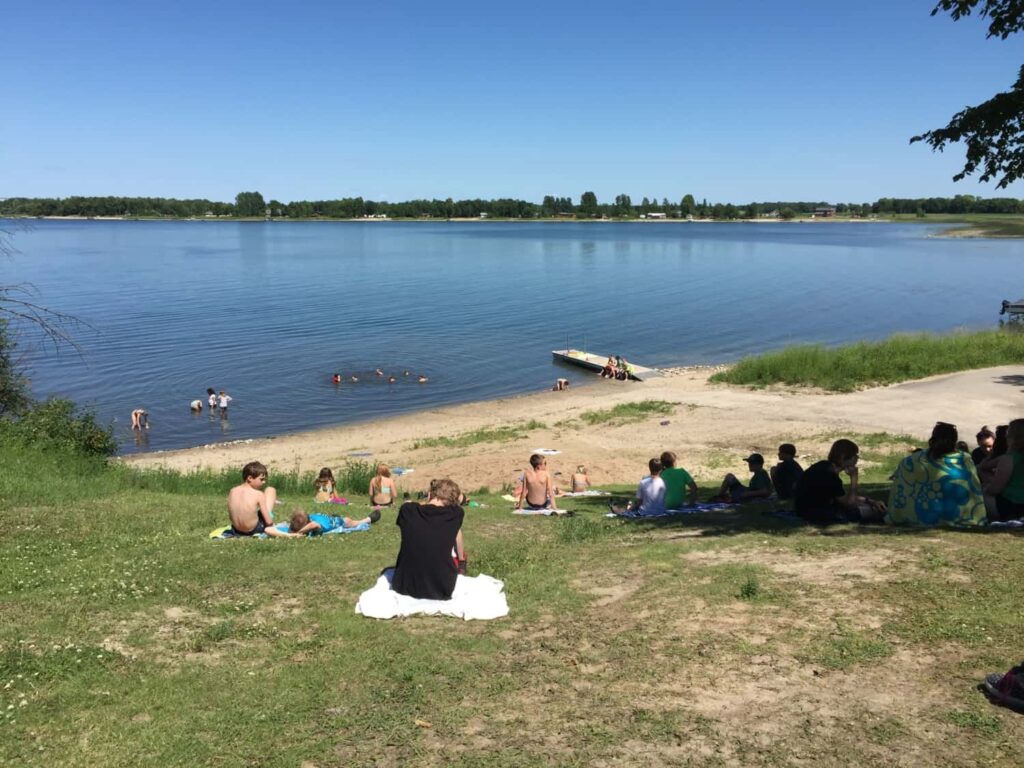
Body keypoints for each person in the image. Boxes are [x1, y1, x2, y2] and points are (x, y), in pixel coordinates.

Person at [886, 422, 986, 526]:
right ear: (954, 440)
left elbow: (903, 485)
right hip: (960, 516)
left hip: (918, 515)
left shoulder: (912, 461)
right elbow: (973, 487)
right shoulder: (964, 459)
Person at [391, 478, 467, 600]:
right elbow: (461, 499)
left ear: (430, 494)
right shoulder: (456, 514)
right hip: (441, 587)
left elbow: (413, 506)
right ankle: (462, 561)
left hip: (403, 584)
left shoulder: (407, 511)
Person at [794, 439, 887, 525]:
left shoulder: (823, 466)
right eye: (855, 455)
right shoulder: (830, 475)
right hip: (815, 513)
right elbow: (849, 504)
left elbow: (842, 497)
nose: (857, 458)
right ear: (843, 456)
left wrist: (870, 501)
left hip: (804, 509)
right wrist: (854, 478)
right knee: (871, 511)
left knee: (868, 506)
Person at [227, 461, 289, 537]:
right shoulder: (258, 494)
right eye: (261, 479)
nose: (264, 482)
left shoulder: (232, 491)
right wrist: (272, 525)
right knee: (270, 490)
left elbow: (231, 516)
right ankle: (272, 502)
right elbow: (268, 522)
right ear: (249, 478)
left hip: (236, 530)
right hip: (253, 530)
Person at [983, 418, 1024, 521]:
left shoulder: (1009, 459)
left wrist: (986, 486)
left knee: (985, 492)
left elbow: (995, 489)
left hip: (1013, 506)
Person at [286, 507, 380, 536]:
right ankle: (334, 516)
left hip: (340, 522)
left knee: (354, 523)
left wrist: (299, 532)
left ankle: (369, 519)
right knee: (332, 519)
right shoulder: (308, 517)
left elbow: (313, 525)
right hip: (328, 519)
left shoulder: (317, 526)